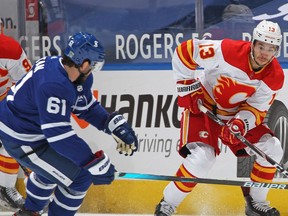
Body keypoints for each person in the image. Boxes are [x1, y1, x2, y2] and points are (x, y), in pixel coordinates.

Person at [0, 31, 138, 215]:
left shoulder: (68, 74)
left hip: (30, 130)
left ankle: (29, 212)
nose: (92, 71)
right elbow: (59, 136)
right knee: (80, 178)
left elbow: (87, 108)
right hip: (19, 137)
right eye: (94, 65)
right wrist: (93, 162)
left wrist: (113, 125)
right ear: (85, 63)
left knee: (52, 170)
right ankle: (31, 211)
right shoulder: (54, 84)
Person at [155, 20, 283, 216]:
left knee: (272, 148)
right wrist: (186, 88)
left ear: (277, 50)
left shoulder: (274, 76)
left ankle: (256, 204)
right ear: (253, 43)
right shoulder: (227, 51)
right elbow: (185, 51)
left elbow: (257, 109)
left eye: (271, 48)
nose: (264, 53)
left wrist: (241, 122)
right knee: (202, 160)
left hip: (235, 115)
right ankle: (167, 205)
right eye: (261, 46)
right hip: (204, 107)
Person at [0, 18, 32, 211]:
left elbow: (28, 85)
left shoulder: (10, 50)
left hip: (3, 103)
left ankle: (5, 187)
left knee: (13, 135)